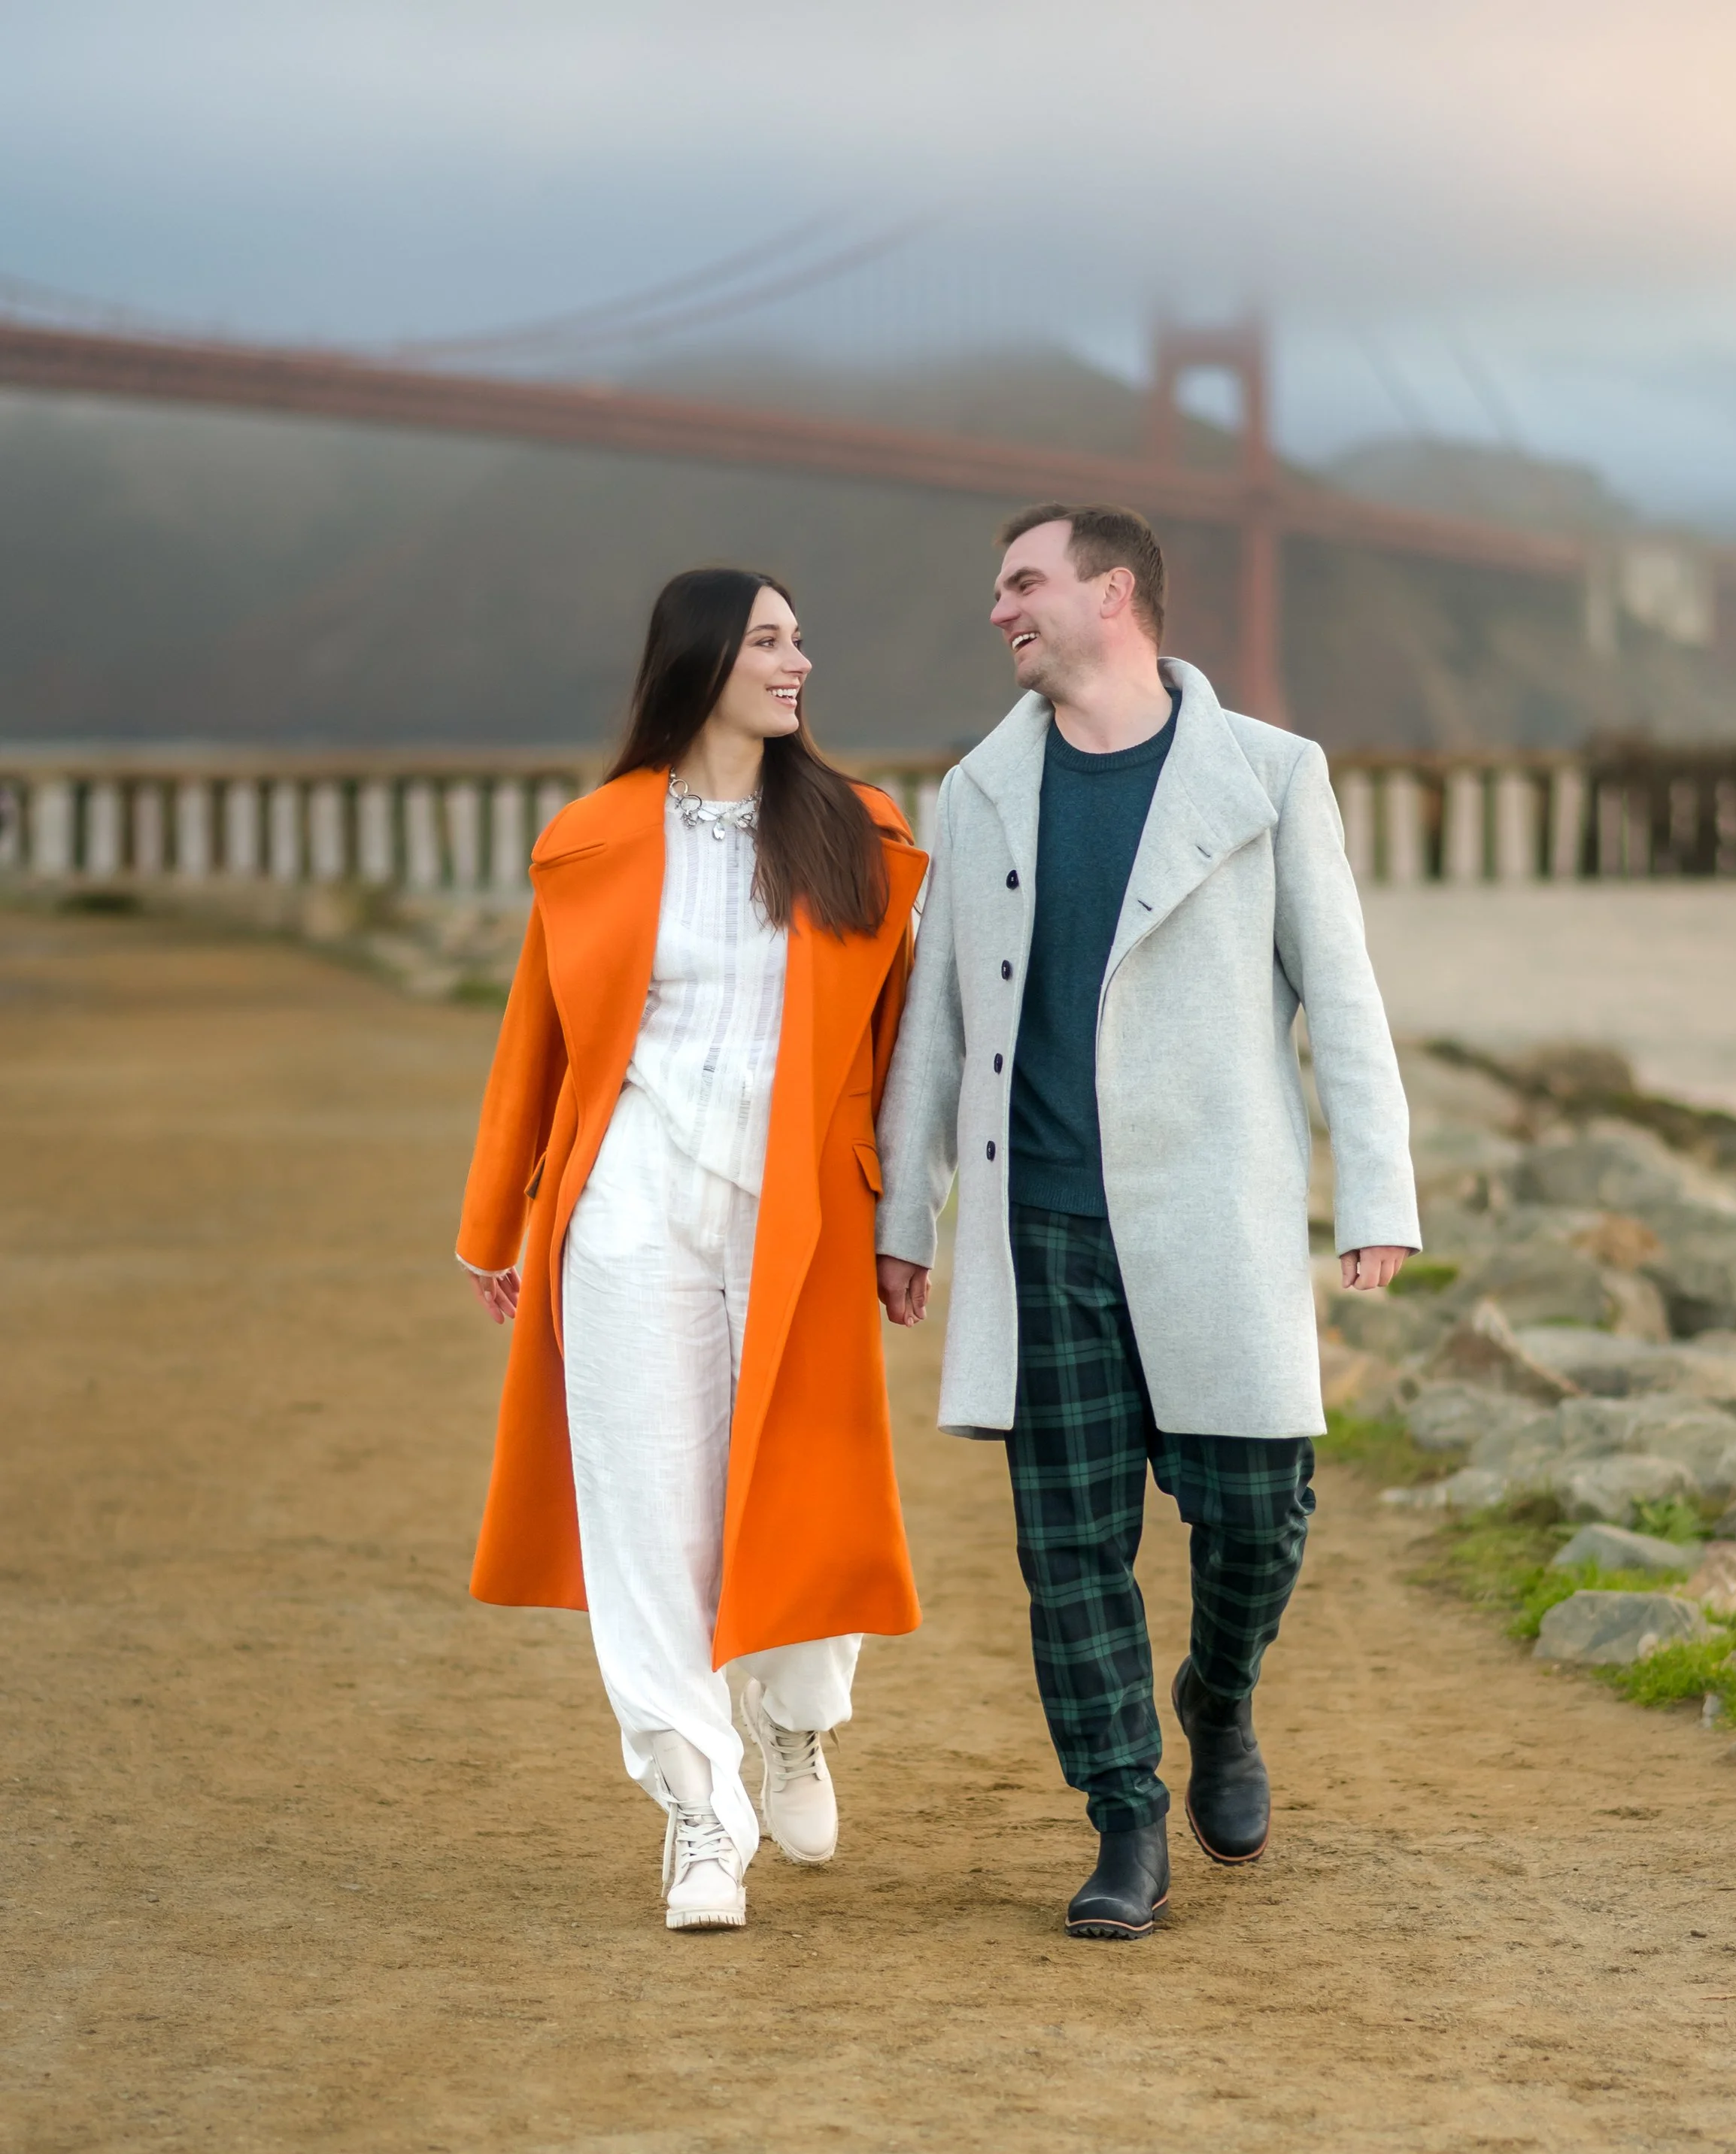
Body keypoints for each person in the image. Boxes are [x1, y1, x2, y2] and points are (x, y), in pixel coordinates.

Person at [874, 504, 1418, 1940]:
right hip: (1038, 1220)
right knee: (1070, 1550)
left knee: (1256, 1511)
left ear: (1114, 595)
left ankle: (1218, 1699)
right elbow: (935, 1022)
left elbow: (1345, 1001)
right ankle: (1126, 1816)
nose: (1000, 609)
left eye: (1024, 584)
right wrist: (908, 1213)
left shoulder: (1271, 775)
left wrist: (1379, 1194)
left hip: (1214, 1214)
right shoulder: (977, 790)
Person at [458, 569, 926, 1932]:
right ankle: (698, 1813)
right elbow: (536, 1041)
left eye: (798, 640)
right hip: (630, 1205)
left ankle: (794, 1716)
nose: (800, 662)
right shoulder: (596, 837)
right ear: (706, 663)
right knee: (646, 1507)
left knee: (802, 1475)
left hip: (801, 1213)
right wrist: (499, 1221)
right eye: (772, 642)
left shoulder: (861, 831)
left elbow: (902, 1055)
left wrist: (903, 1219)